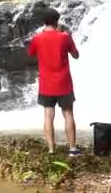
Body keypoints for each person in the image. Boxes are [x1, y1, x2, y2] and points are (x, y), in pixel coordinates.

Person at [27, 8, 80, 156]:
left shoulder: (37, 38)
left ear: (43, 22)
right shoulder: (65, 37)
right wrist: (68, 36)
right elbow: (76, 55)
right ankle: (72, 149)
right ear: (57, 20)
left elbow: (31, 54)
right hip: (64, 82)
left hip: (46, 83)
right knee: (68, 113)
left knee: (48, 114)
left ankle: (51, 149)